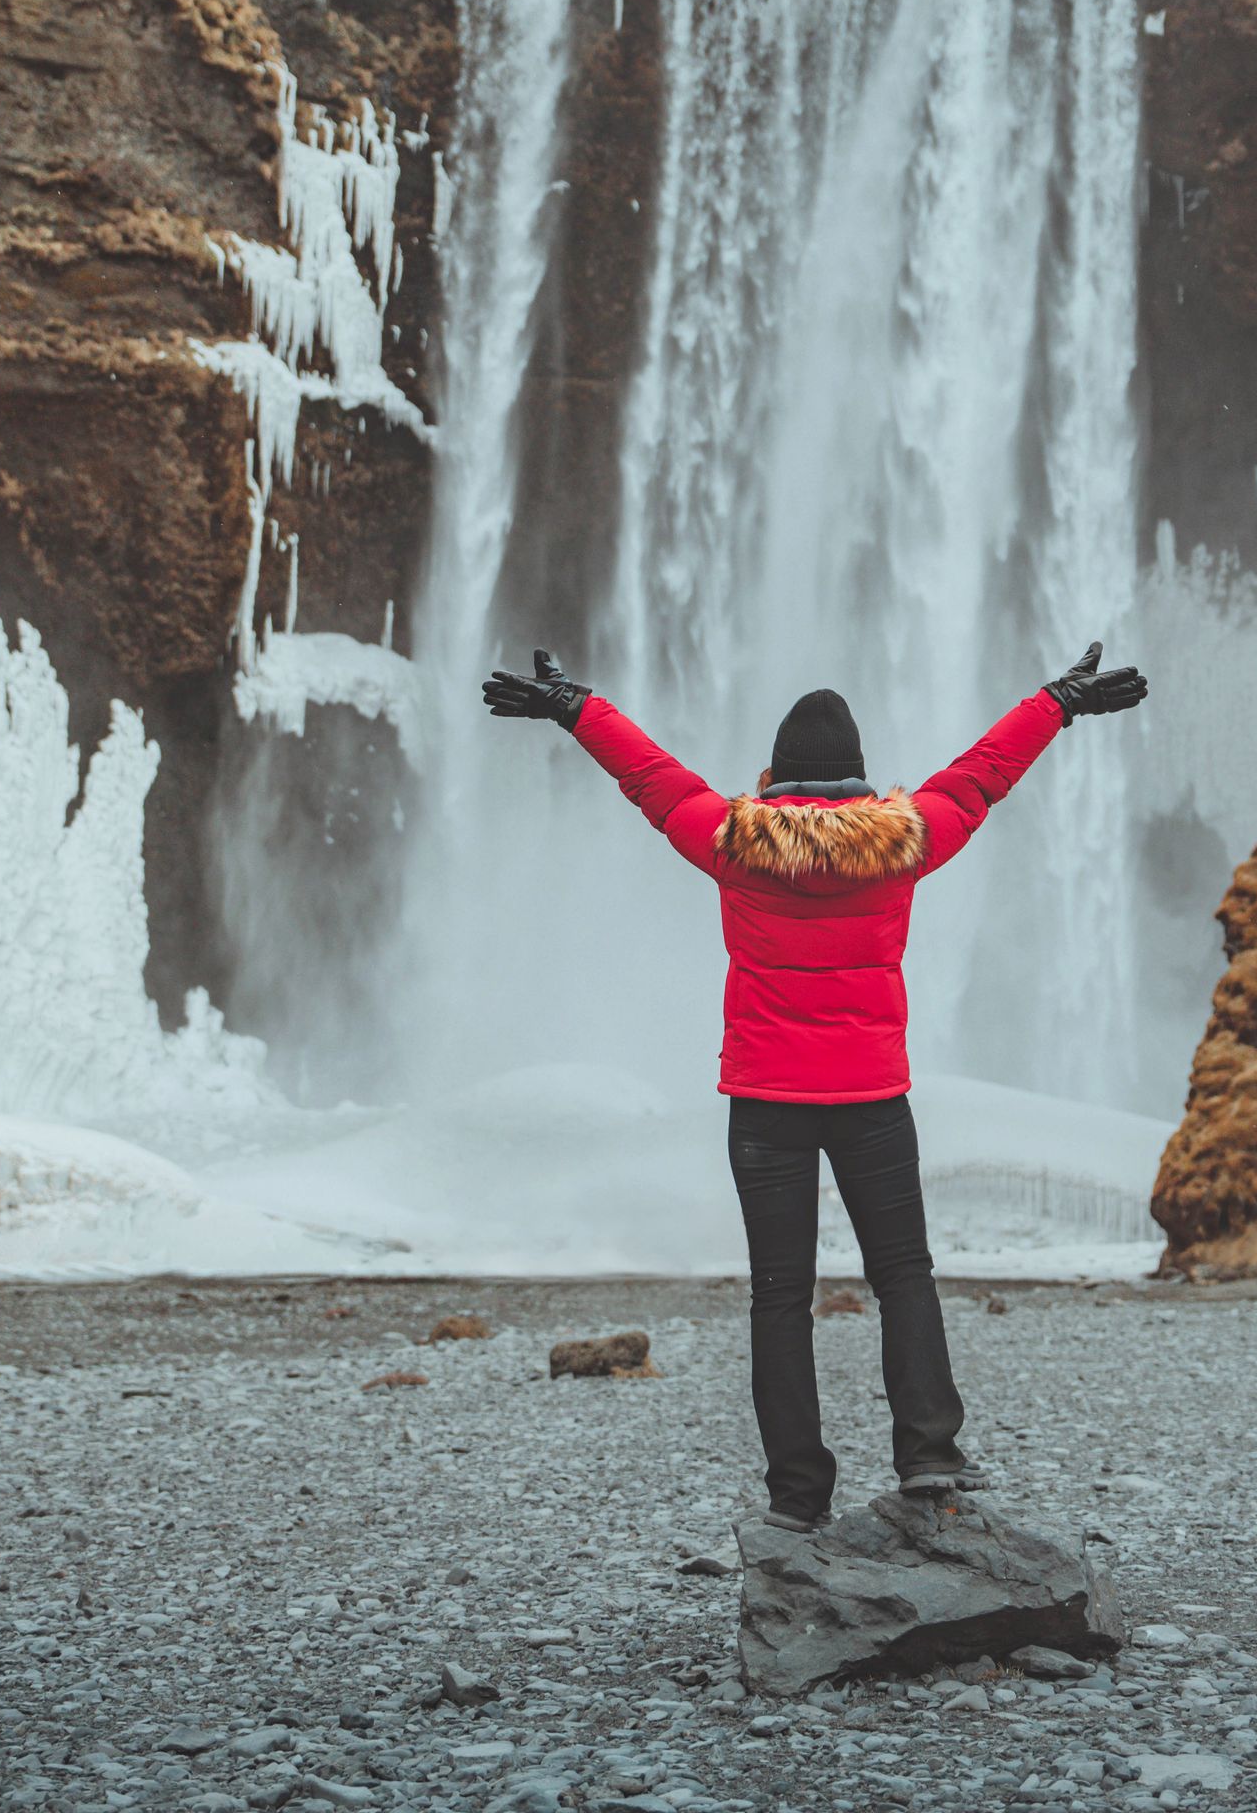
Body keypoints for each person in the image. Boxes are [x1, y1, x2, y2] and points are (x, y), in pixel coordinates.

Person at [480, 641, 1149, 1530]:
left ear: (780, 776)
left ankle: (798, 1496)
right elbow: (980, 777)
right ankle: (928, 1456)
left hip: (765, 1104)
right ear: (861, 778)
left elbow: (652, 777)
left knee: (779, 1296)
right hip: (872, 1100)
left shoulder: (731, 840)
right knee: (904, 1275)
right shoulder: (905, 839)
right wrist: (1056, 702)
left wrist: (576, 708)